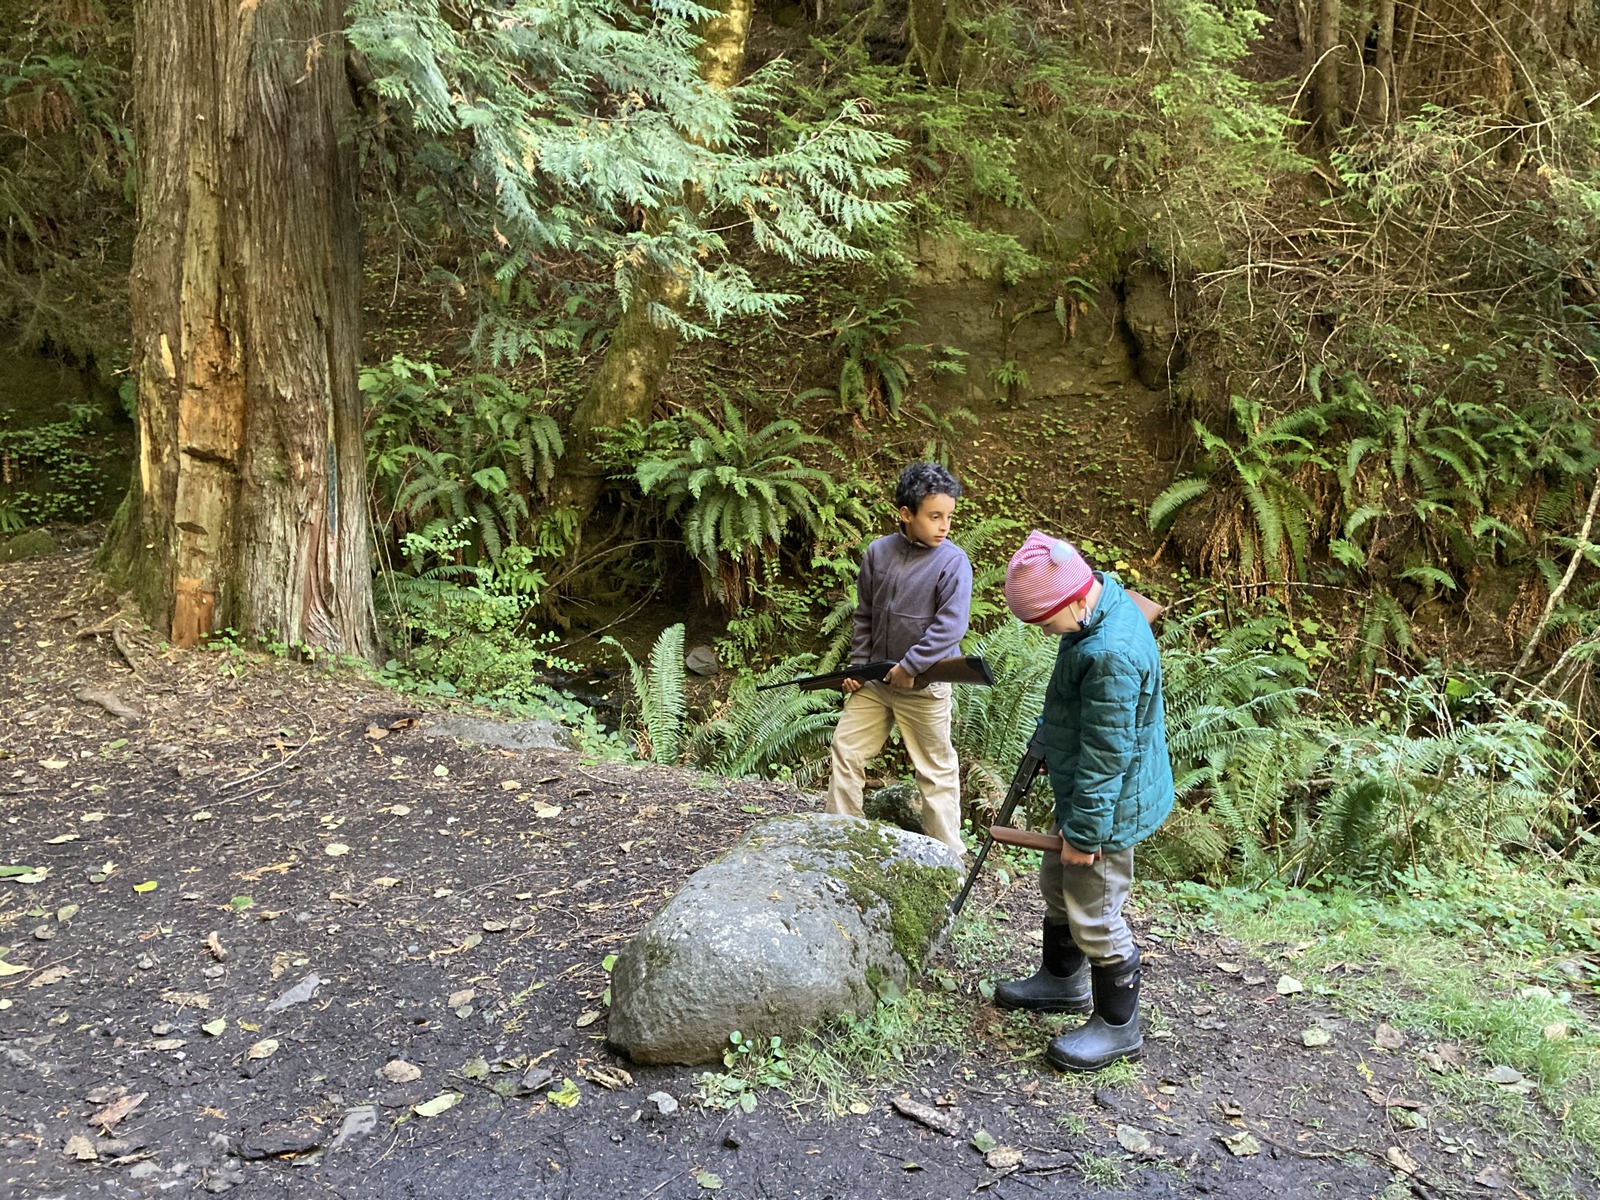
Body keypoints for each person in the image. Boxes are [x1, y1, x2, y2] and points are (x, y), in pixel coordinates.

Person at [993, 530, 1173, 1072]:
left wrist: (1086, 833)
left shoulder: (1111, 653)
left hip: (1108, 806)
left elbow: (1107, 754)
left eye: (1044, 622)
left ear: (1073, 600)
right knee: (1058, 883)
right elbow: (1083, 714)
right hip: (1084, 793)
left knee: (1094, 911)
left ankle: (1118, 1026)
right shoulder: (1096, 604)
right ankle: (1061, 980)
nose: (1044, 632)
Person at [825, 462, 973, 860]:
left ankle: (949, 859)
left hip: (925, 687)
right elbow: (865, 616)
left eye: (949, 517)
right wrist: (859, 668)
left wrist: (910, 667)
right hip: (875, 683)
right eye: (934, 516)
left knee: (935, 771)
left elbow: (950, 627)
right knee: (846, 749)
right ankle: (841, 839)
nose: (944, 526)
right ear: (906, 514)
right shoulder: (878, 552)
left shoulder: (953, 562)